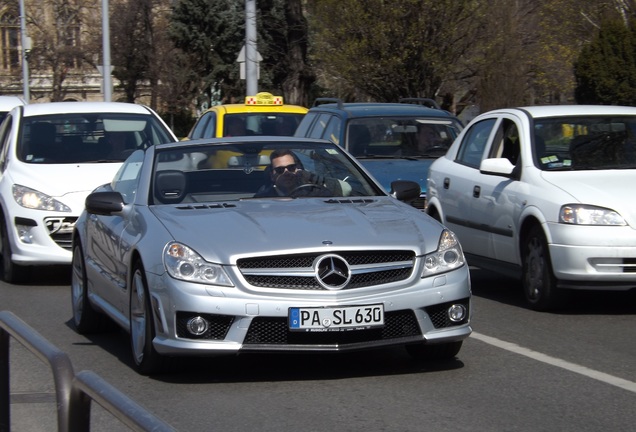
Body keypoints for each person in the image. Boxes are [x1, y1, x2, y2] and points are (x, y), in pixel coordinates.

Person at [254, 149, 350, 197]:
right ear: (272, 176)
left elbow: (347, 188)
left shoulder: (314, 192)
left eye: (291, 167)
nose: (287, 172)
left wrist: (312, 178)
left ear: (297, 169)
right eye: (280, 170)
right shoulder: (262, 199)